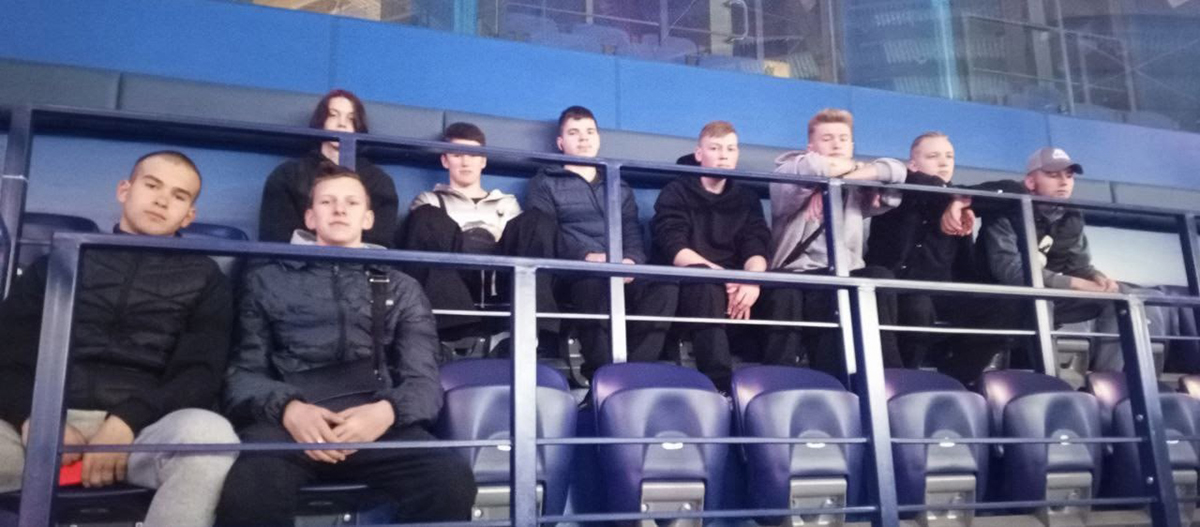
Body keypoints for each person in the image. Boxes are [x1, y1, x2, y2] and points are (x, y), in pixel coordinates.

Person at [217, 163, 475, 526]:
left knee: (450, 480)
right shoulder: (265, 280)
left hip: (377, 422)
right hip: (289, 426)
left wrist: (387, 412)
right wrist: (290, 410)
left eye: (351, 203)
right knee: (250, 491)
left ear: (368, 218)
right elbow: (242, 374)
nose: (339, 209)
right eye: (327, 202)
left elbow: (424, 380)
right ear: (310, 217)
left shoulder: (402, 287)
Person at [0, 151, 239, 527]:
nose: (162, 200)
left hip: (143, 431)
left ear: (188, 215)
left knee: (210, 436)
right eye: (152, 185)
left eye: (178, 196)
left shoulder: (208, 279)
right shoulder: (57, 262)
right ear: (124, 190)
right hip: (37, 426)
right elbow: (7, 352)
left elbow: (199, 373)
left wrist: (126, 423)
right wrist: (34, 417)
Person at [523, 105, 677, 381]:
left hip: (620, 267)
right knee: (593, 285)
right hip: (574, 272)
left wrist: (631, 261)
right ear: (560, 142)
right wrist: (588, 257)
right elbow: (547, 233)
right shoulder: (544, 182)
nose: (584, 138)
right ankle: (603, 377)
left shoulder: (618, 184)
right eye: (574, 132)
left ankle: (634, 376)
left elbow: (631, 230)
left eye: (589, 132)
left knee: (665, 287)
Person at [864, 132, 1018, 377]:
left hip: (944, 295)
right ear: (913, 164)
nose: (944, 163)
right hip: (895, 293)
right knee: (918, 304)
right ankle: (904, 379)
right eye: (933, 156)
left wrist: (961, 202)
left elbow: (1013, 189)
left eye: (949, 156)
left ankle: (957, 378)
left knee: (1009, 304)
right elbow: (914, 180)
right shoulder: (898, 193)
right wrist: (954, 197)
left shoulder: (960, 200)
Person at [651, 121, 791, 391]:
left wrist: (751, 280)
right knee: (706, 283)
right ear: (699, 154)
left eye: (730, 149)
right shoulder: (675, 191)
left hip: (738, 288)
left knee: (784, 287)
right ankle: (720, 387)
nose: (724, 155)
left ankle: (781, 383)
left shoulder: (746, 198)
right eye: (715, 148)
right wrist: (726, 277)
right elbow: (675, 248)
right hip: (695, 286)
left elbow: (756, 245)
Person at [769, 108, 907, 374]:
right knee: (829, 294)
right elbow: (817, 167)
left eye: (843, 139)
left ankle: (887, 375)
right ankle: (821, 378)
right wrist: (841, 175)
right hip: (799, 273)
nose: (836, 144)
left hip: (845, 272)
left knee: (879, 277)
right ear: (810, 146)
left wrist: (838, 182)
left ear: (852, 145)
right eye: (827, 138)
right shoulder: (788, 169)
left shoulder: (856, 184)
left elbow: (896, 170)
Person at [972, 147, 1123, 372]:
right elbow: (1009, 271)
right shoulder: (1006, 208)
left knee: (1122, 297)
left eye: (1069, 176)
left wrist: (1097, 278)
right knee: (1043, 301)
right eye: (1053, 175)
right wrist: (1075, 284)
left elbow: (1079, 265)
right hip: (997, 298)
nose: (1064, 182)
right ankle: (1050, 381)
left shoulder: (1071, 214)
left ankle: (1111, 381)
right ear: (1031, 182)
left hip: (1045, 294)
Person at [398, 122, 521, 340]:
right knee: (427, 217)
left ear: (483, 160)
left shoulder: (507, 203)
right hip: (451, 283)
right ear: (445, 160)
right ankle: (460, 331)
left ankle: (536, 330)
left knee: (536, 220)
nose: (465, 161)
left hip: (499, 284)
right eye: (457, 154)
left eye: (473, 155)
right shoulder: (429, 202)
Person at [258, 89, 399, 247]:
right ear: (321, 122)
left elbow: (379, 244)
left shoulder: (379, 181)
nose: (342, 123)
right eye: (333, 115)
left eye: (351, 118)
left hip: (358, 262)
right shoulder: (288, 174)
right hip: (300, 261)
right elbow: (275, 239)